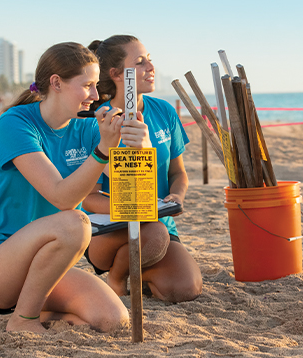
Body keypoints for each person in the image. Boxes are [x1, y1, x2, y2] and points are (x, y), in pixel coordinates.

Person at [0, 42, 154, 333]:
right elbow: (61, 197)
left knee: (112, 320)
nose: (95, 95)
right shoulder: (16, 124)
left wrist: (140, 150)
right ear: (56, 82)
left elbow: (137, 201)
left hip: (47, 269)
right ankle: (23, 320)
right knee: (75, 223)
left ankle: (36, 312)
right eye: (88, 85)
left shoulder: (88, 128)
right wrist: (104, 151)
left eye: (96, 86)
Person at [81, 35, 202, 302]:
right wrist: (135, 207)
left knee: (186, 287)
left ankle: (144, 269)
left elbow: (177, 173)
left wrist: (176, 197)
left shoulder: (164, 112)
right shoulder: (96, 120)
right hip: (111, 230)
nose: (150, 67)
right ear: (115, 74)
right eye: (139, 62)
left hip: (159, 223)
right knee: (155, 234)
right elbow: (87, 197)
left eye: (150, 60)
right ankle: (116, 276)